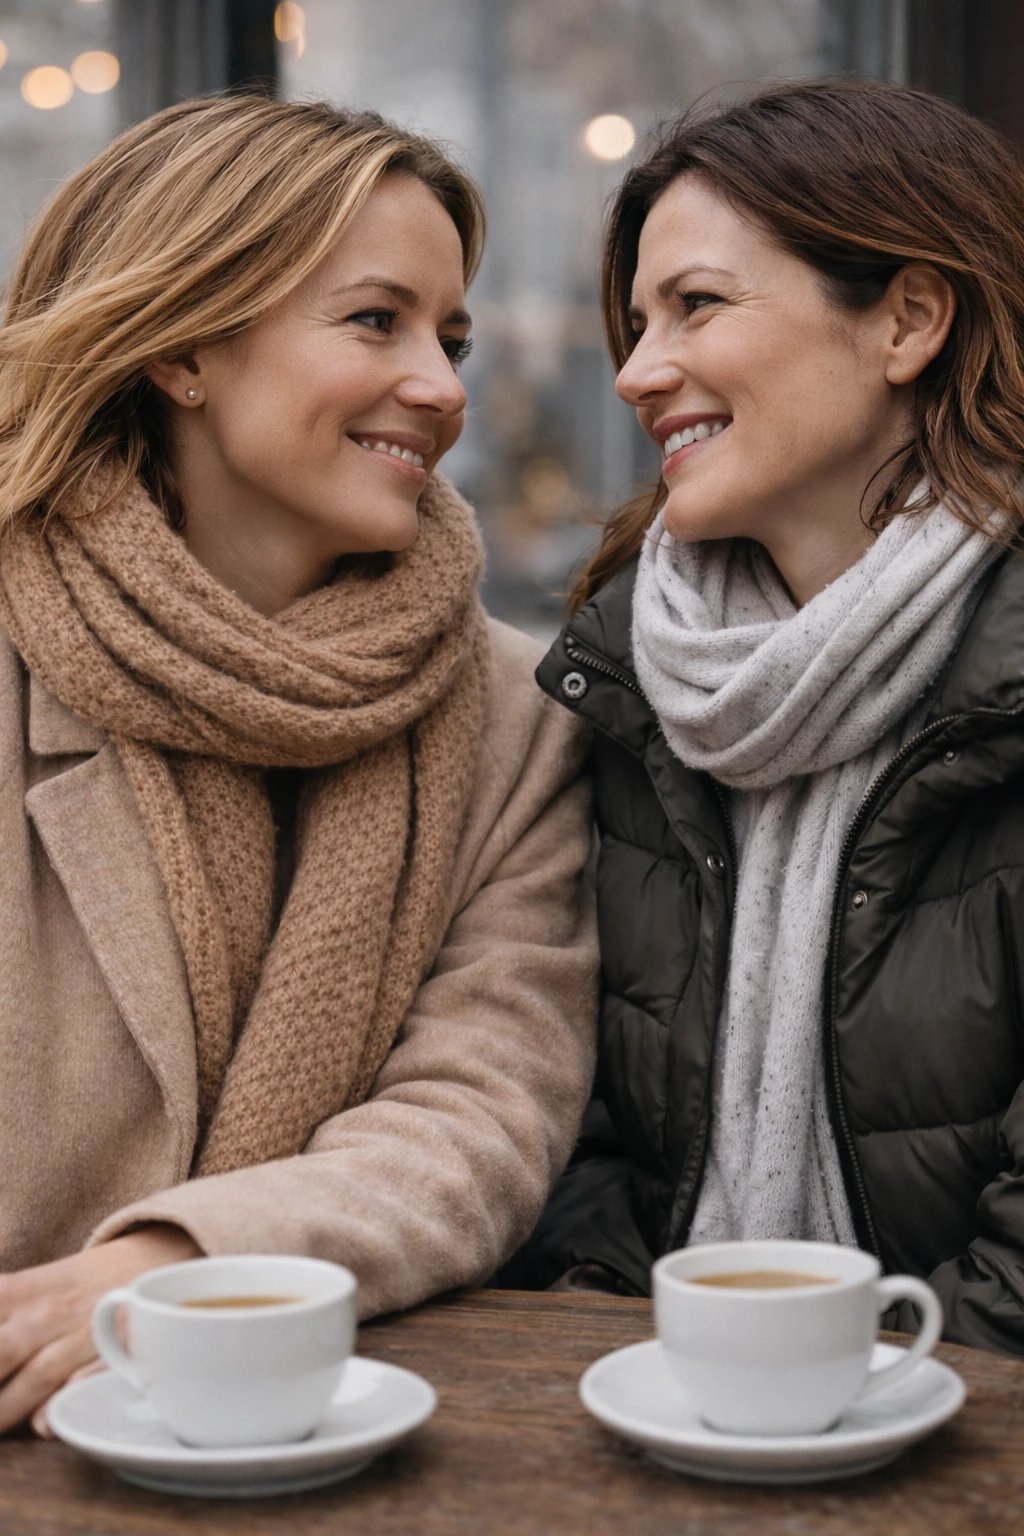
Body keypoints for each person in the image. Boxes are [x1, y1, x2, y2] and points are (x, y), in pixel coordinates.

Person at [0, 94, 596, 1433]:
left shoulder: (513, 717)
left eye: (451, 336)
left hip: (327, 1423)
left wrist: (182, 1270)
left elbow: (483, 1107)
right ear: (185, 349)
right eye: (374, 322)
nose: (445, 390)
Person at [520, 80, 1024, 1355]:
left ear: (908, 317)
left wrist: (807, 1406)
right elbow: (577, 1139)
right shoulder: (632, 684)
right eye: (635, 322)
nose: (638, 372)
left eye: (696, 304)